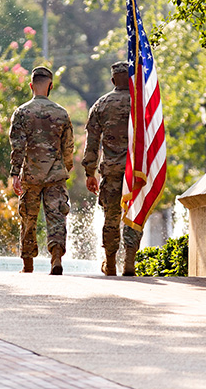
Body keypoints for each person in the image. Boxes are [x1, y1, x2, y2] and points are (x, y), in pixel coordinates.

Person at [9, 66, 74, 275]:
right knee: (56, 217)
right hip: (55, 174)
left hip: (30, 174)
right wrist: (66, 167)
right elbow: (68, 146)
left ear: (31, 86)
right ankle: (56, 258)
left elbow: (17, 146)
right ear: (51, 86)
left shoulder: (21, 112)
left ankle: (28, 265)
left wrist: (14, 173)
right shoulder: (61, 113)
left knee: (28, 218)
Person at [82, 61, 142, 276]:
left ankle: (110, 262)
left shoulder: (101, 105)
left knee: (111, 218)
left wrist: (89, 172)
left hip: (111, 171)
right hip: (136, 172)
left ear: (112, 80)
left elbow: (92, 142)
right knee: (134, 214)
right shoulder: (141, 104)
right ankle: (130, 262)